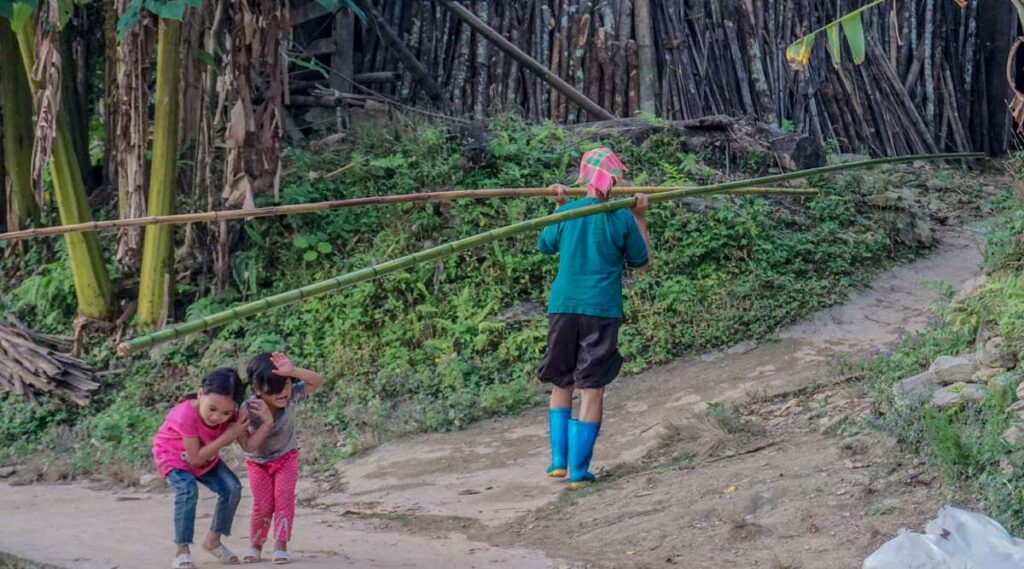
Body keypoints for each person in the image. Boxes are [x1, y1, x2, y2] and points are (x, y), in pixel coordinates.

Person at [537, 147, 652, 489]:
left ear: (583, 178)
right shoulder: (621, 217)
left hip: (563, 306)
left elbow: (546, 244)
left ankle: (558, 462)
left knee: (562, 379)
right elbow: (642, 262)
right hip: (600, 310)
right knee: (592, 388)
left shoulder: (568, 213)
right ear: (615, 180)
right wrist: (641, 217)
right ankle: (579, 470)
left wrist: (558, 205)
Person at [152, 367, 250, 568]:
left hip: (205, 454)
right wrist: (227, 436)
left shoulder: (233, 413)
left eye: (226, 413)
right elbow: (195, 458)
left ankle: (213, 541)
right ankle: (182, 551)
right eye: (212, 409)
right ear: (200, 394)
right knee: (187, 489)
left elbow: (246, 440)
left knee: (232, 488)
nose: (217, 417)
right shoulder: (185, 415)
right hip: (173, 455)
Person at [237, 352, 324, 565]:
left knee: (284, 500)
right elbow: (248, 445)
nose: (282, 394)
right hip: (258, 464)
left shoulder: (293, 394)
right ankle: (255, 545)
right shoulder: (247, 410)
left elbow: (317, 381)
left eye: (285, 386)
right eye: (273, 390)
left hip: (287, 458)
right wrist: (266, 423)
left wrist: (292, 372)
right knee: (262, 505)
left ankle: (280, 545)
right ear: (258, 390)